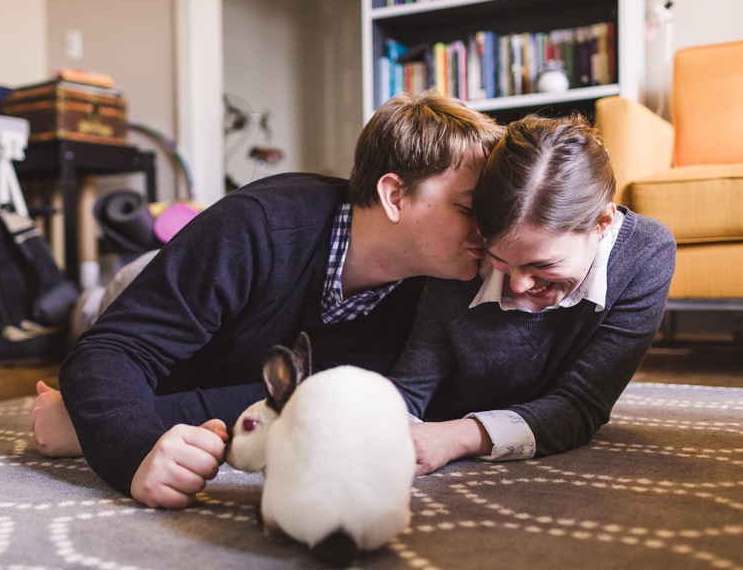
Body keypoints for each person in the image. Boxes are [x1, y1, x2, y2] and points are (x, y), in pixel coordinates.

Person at [30, 91, 505, 509]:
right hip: (136, 287)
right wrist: (131, 445)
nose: (487, 229)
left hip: (222, 350)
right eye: (468, 208)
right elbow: (109, 350)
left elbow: (294, 398)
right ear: (395, 196)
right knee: (91, 310)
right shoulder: (256, 226)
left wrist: (87, 423)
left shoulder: (426, 286)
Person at [389, 114, 677, 475]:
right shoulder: (464, 255)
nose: (519, 285)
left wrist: (456, 438)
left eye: (542, 264)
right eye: (499, 259)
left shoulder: (644, 254)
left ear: (602, 223)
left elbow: (581, 405)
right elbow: (411, 386)